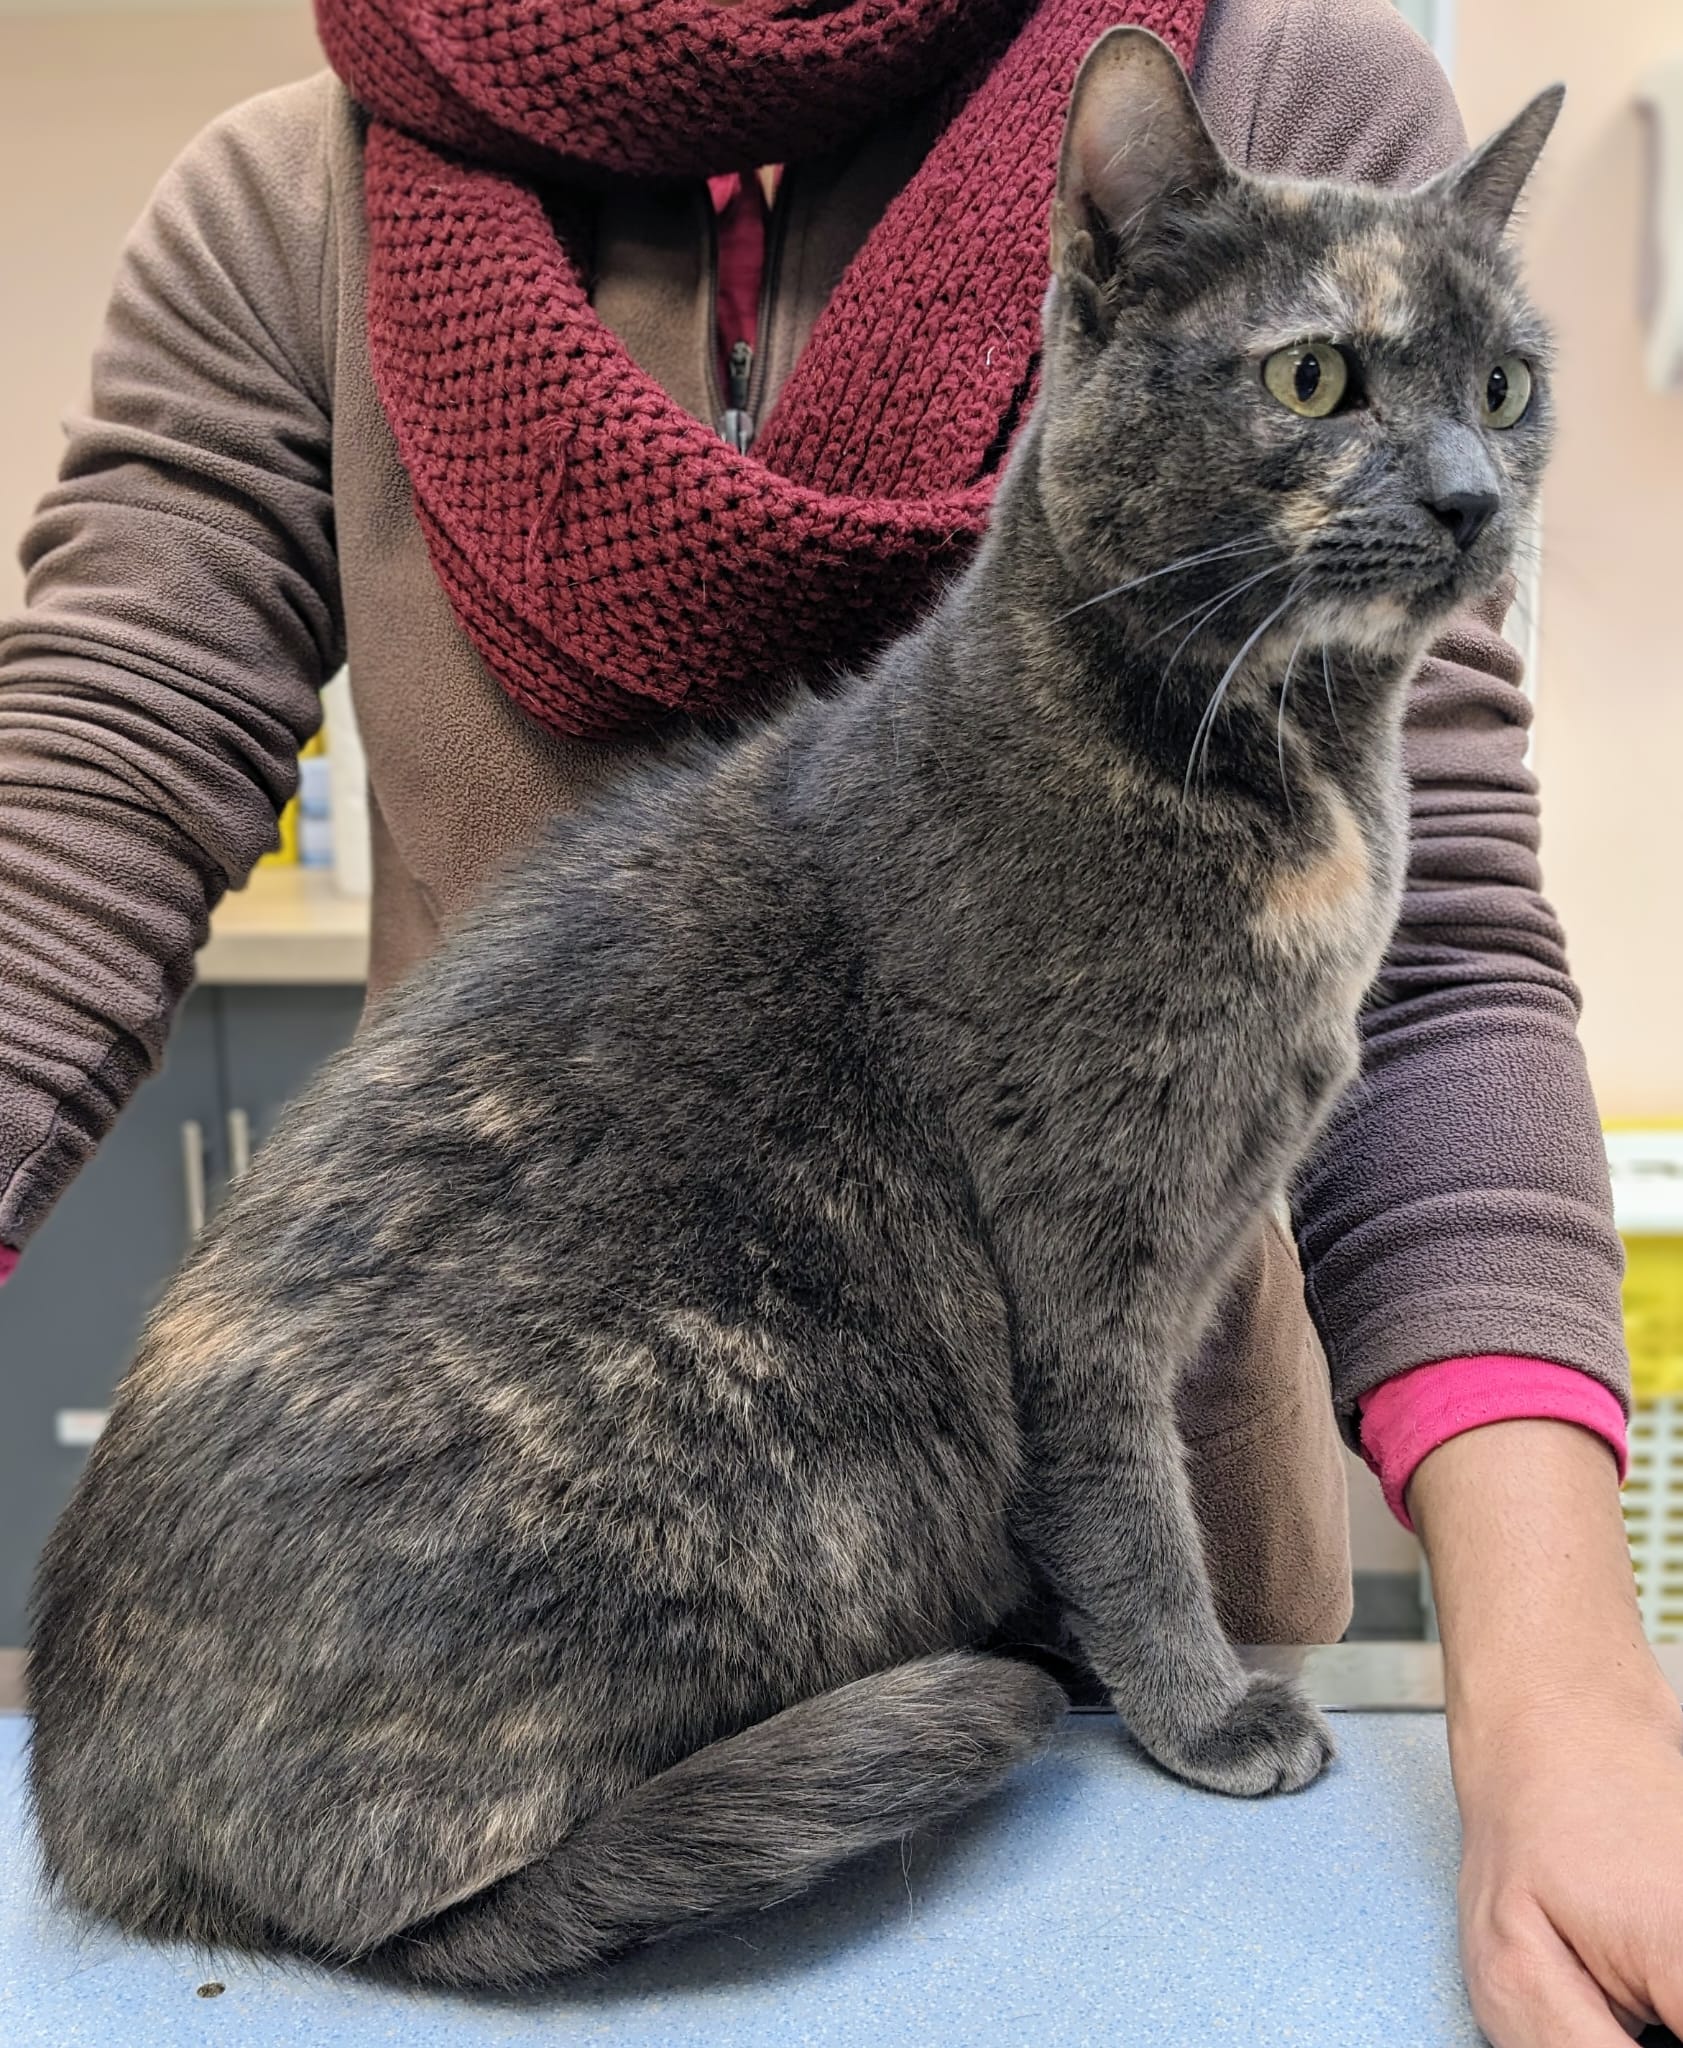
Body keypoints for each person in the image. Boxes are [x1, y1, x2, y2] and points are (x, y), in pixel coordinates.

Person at [0, 0, 1674, 2038]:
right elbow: (89, 775)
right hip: (500, 1581)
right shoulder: (302, 193)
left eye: (1497, 396)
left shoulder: (1289, 94)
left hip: (1141, 1644)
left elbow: (1450, 967)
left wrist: (1564, 1689)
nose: (1465, 475)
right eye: (1322, 381)